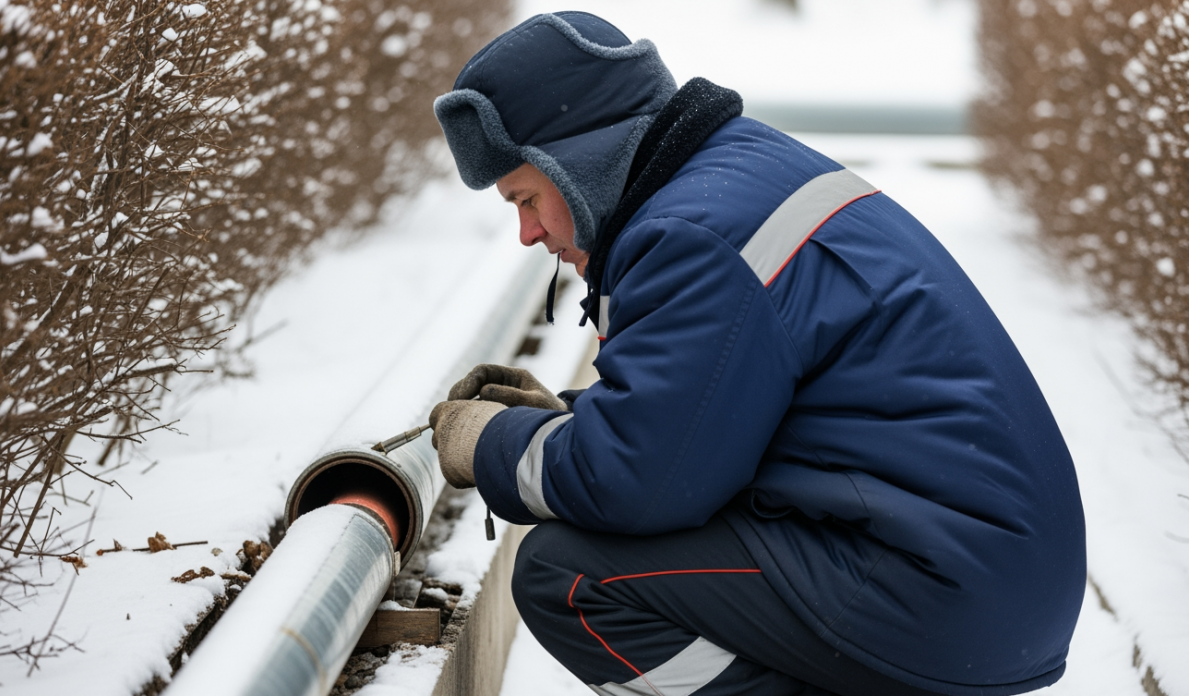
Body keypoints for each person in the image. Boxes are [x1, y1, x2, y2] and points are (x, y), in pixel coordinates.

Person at [427, 12, 1086, 696]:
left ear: (580, 161)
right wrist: (570, 424)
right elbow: (715, 413)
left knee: (566, 575)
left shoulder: (692, 239)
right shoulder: (730, 180)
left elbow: (637, 486)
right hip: (984, 575)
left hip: (943, 590)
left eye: (527, 198)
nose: (528, 234)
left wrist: (493, 444)